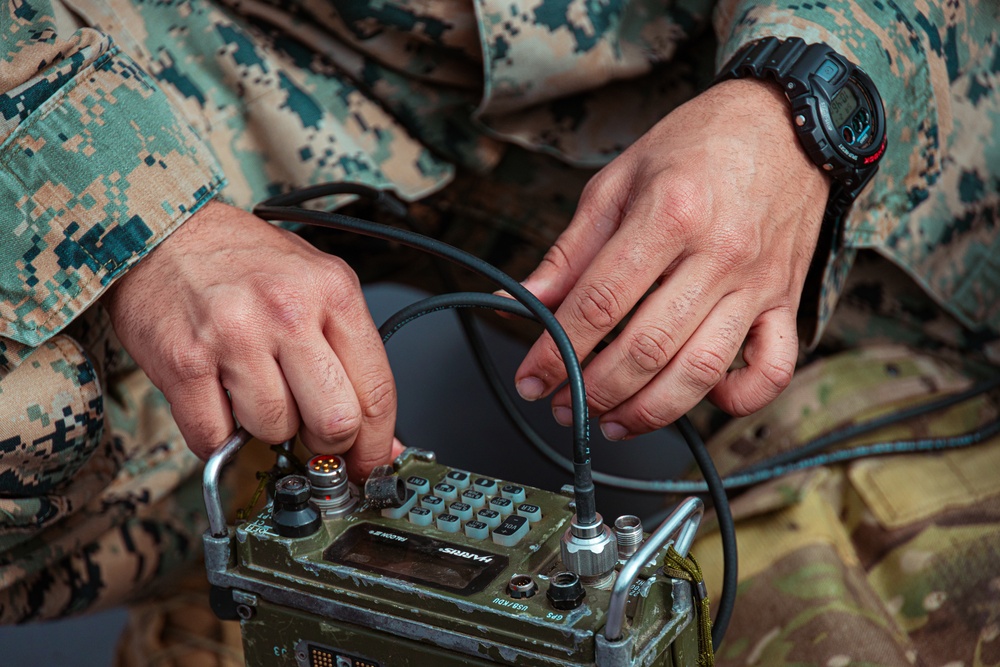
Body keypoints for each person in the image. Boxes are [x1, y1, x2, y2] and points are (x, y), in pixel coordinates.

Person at [2, 0, 998, 664]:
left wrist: (809, 96)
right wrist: (137, 215)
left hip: (837, 188)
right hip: (178, 63)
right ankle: (266, 568)